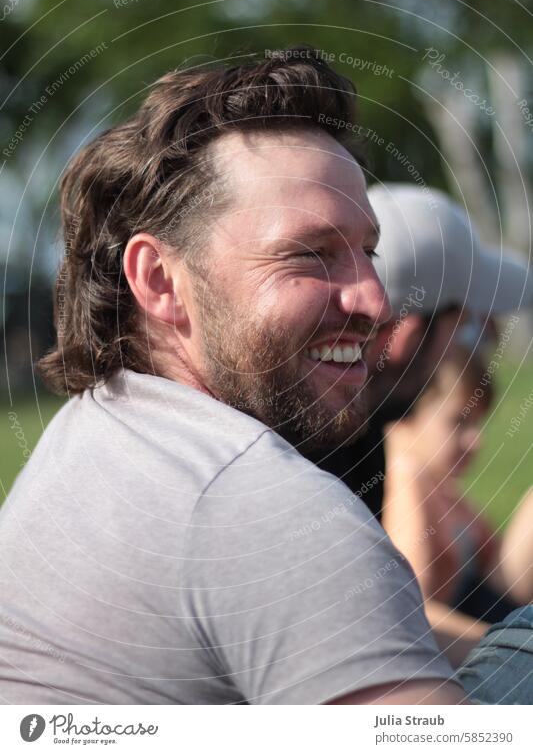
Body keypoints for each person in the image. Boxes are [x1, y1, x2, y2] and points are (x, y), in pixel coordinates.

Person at [0, 49, 463, 705]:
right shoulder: (268, 505)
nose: (376, 301)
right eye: (309, 254)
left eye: (367, 251)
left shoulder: (101, 427)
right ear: (160, 280)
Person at [314, 184, 533, 520]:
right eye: (461, 327)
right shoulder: (326, 480)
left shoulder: (339, 437)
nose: (459, 352)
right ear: (409, 338)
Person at [382, 345, 533, 662]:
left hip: (487, 608)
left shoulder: (440, 484)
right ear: (411, 414)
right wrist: (508, 649)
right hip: (463, 638)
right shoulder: (407, 478)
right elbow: (412, 611)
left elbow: (497, 566)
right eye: (458, 422)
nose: (475, 440)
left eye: (477, 424)